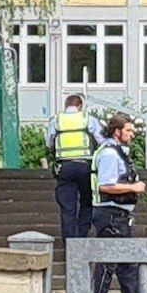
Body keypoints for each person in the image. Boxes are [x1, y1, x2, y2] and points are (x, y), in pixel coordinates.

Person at [90, 112, 146, 293]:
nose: (132, 134)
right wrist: (134, 187)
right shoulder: (110, 155)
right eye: (129, 130)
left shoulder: (116, 152)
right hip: (110, 214)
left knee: (126, 263)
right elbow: (106, 185)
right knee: (108, 263)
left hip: (118, 214)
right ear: (117, 131)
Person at [47, 93, 103, 241]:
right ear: (80, 106)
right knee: (87, 201)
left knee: (67, 206)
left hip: (64, 167)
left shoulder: (56, 120)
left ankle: (70, 240)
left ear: (66, 105)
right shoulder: (87, 119)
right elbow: (101, 140)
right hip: (86, 166)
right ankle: (82, 235)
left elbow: (49, 142)